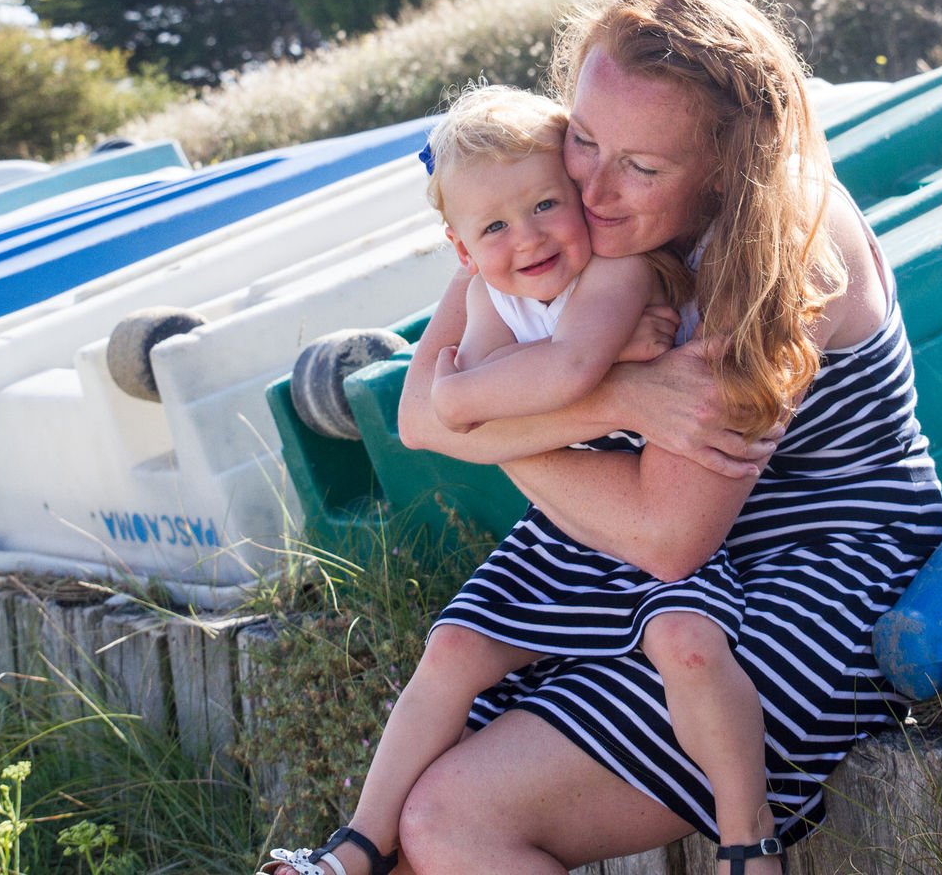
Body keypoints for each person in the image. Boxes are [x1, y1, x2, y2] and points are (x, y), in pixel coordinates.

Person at [303, 0, 942, 875]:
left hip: (814, 561)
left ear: (728, 167)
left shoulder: (779, 248)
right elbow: (419, 414)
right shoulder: (551, 209)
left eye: (640, 167)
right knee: (414, 814)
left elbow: (667, 533)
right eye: (586, 138)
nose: (594, 191)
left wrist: (511, 422)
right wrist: (613, 403)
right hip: (640, 557)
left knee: (452, 822)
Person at [261, 84, 775, 875]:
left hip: (630, 515)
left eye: (544, 205)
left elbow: (549, 373)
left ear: (581, 199)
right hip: (563, 534)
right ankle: (357, 843)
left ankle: (747, 840)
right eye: (495, 227)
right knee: (455, 647)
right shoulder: (487, 289)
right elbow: (453, 404)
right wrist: (497, 389)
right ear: (461, 249)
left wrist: (465, 393)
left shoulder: (620, 273)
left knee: (691, 645)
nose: (527, 238)